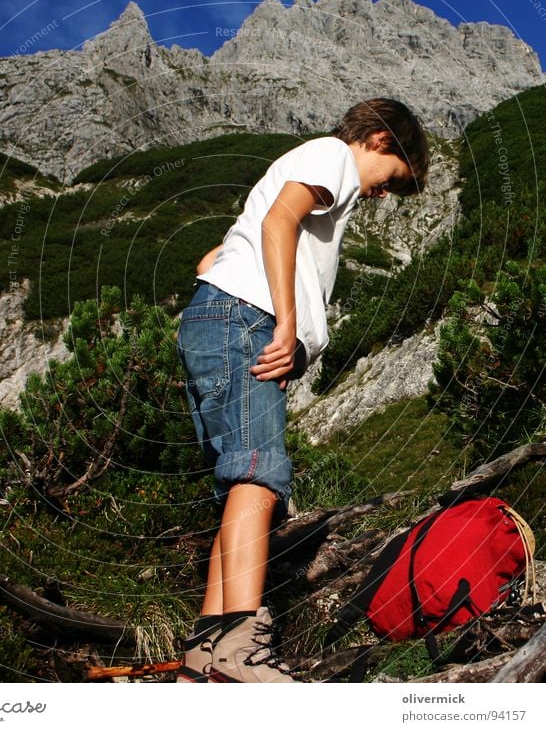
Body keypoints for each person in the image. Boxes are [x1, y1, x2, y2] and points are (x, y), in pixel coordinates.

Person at [175, 98, 430, 683]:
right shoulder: (333, 155)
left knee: (240, 484)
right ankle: (240, 654)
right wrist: (285, 324)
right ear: (380, 142)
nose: (383, 195)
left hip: (221, 318)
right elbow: (278, 221)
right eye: (392, 179)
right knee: (258, 476)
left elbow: (210, 257)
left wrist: (229, 302)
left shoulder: (307, 165)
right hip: (250, 319)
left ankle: (205, 659)